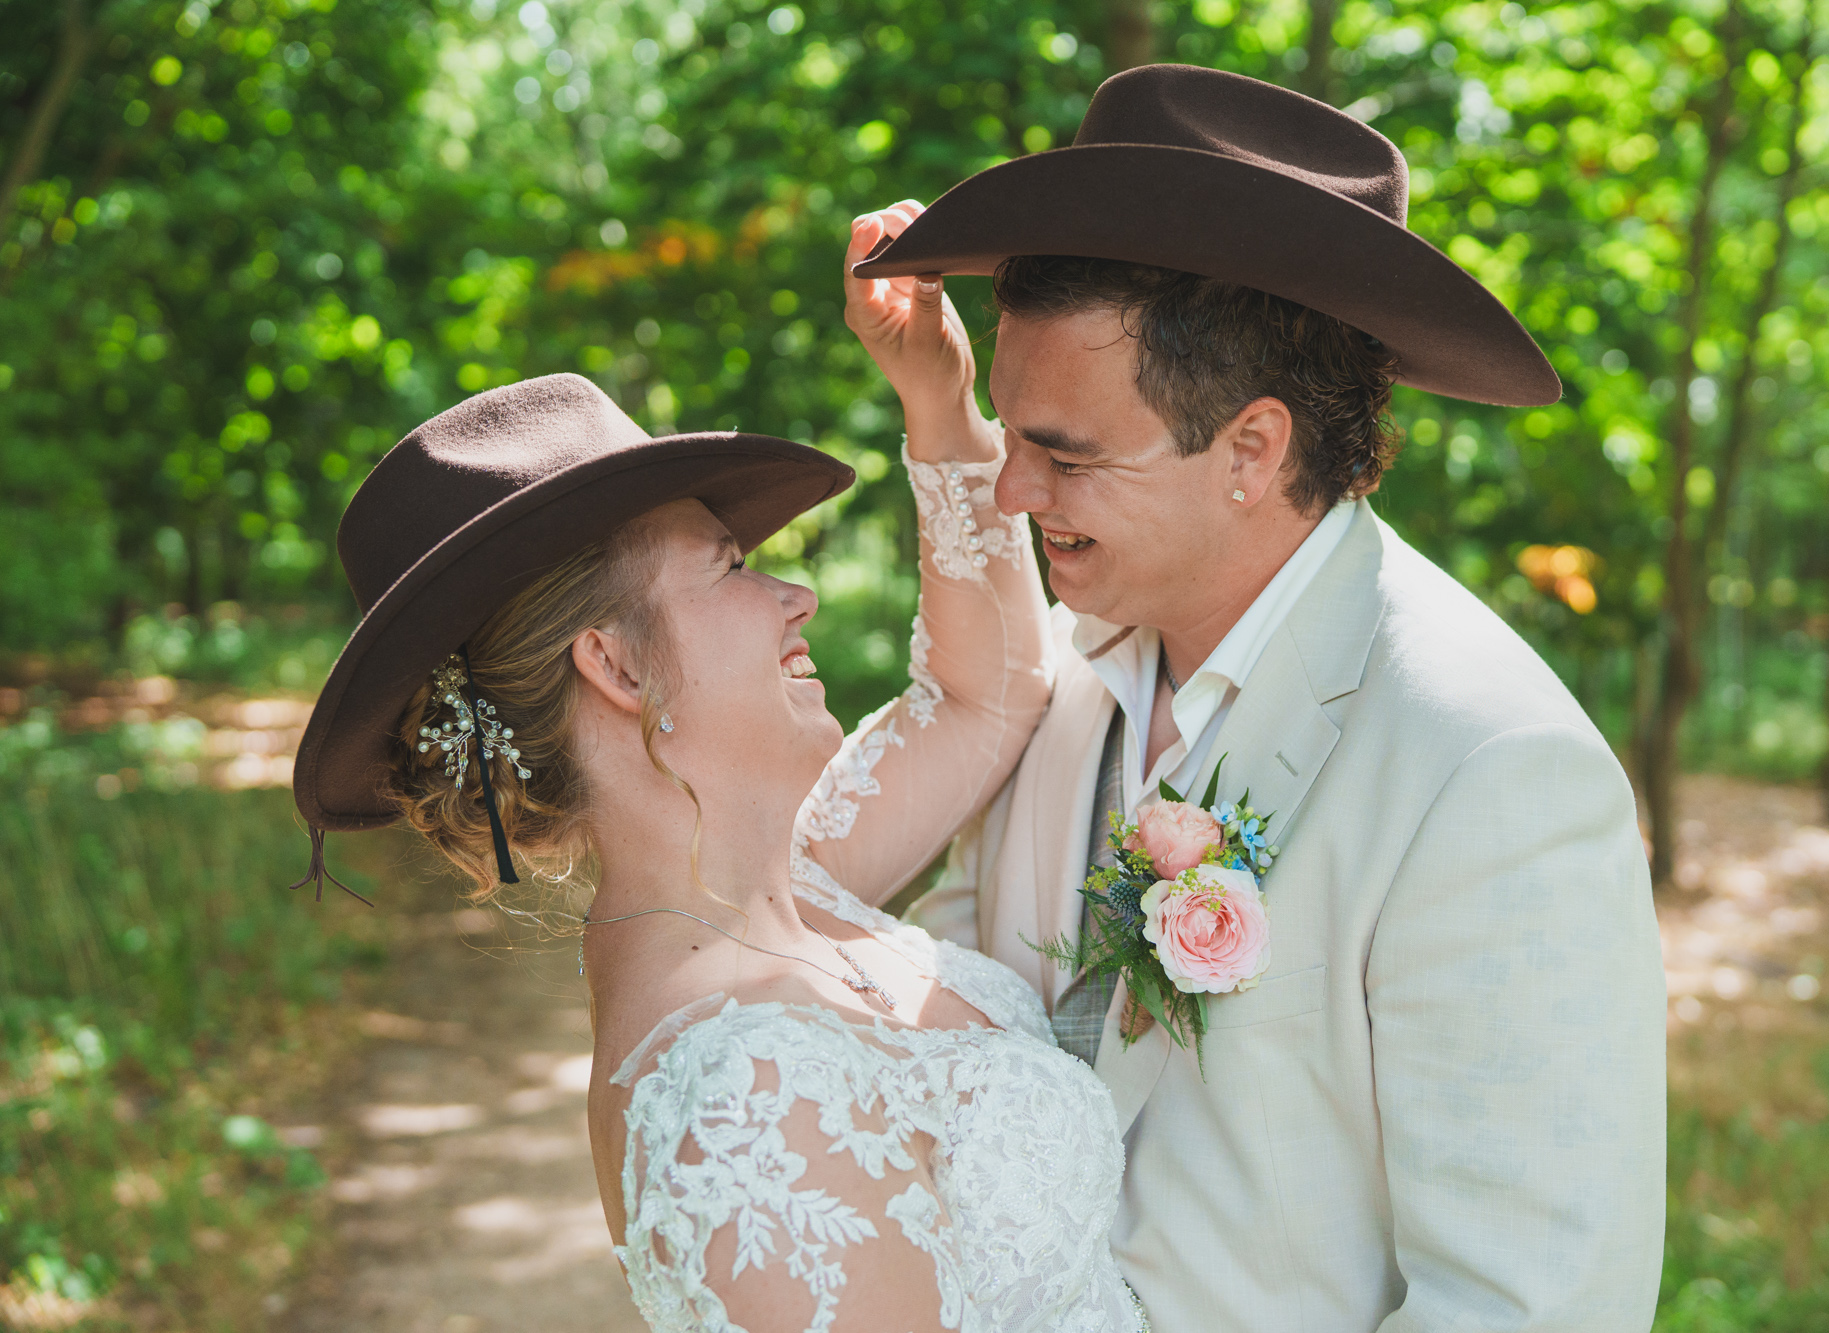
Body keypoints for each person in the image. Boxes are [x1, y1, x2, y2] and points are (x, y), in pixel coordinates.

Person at [856, 64, 1668, 1332]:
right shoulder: (1048, 683)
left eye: (1063, 454)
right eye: (1006, 437)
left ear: (1251, 448)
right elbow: (952, 1014)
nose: (1012, 494)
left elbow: (1525, 1301)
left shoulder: (1489, 767)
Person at [288, 217, 1149, 1331]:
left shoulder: (786, 877)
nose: (797, 596)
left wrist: (940, 402)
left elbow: (985, 693)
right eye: (732, 568)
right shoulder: (743, 1101)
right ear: (612, 662)